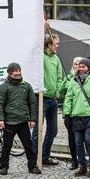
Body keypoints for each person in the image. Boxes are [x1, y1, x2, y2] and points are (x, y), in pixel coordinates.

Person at [0, 63, 41, 175]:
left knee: (28, 145)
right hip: (9, 122)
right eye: (15, 71)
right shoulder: (3, 87)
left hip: (23, 121)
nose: (18, 73)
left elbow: (32, 103)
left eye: (19, 70)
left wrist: (33, 119)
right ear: (10, 73)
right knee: (7, 146)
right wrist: (0, 119)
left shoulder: (27, 86)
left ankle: (32, 166)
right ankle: (4, 167)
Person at [63, 58, 90, 178]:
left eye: (83, 67)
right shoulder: (73, 81)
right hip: (76, 115)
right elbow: (68, 98)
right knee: (78, 142)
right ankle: (82, 165)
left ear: (88, 67)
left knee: (89, 140)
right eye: (80, 66)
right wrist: (66, 114)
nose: (81, 69)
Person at [31, 33, 64, 165]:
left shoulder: (56, 59)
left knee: (53, 130)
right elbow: (35, 48)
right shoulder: (40, 57)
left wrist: (58, 91)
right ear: (49, 44)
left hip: (53, 99)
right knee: (37, 130)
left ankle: (44, 157)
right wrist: (43, 27)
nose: (57, 46)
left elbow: (59, 78)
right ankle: (33, 159)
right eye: (55, 43)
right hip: (41, 98)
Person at [60, 56, 83, 170]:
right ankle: (74, 160)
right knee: (71, 138)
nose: (77, 66)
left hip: (82, 112)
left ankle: (84, 160)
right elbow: (62, 89)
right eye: (75, 64)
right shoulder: (69, 77)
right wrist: (73, 78)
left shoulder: (86, 77)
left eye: (79, 64)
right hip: (70, 112)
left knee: (84, 138)